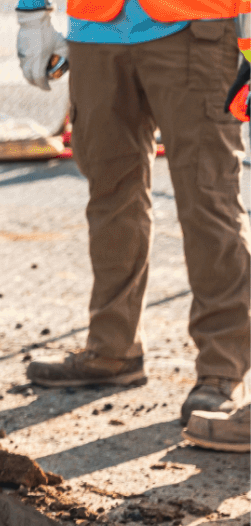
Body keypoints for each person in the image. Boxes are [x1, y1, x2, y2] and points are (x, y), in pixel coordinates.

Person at [15, 0, 251, 440]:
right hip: (95, 31)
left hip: (196, 25)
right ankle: (112, 349)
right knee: (110, 198)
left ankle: (222, 369)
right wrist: (32, 14)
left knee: (209, 201)